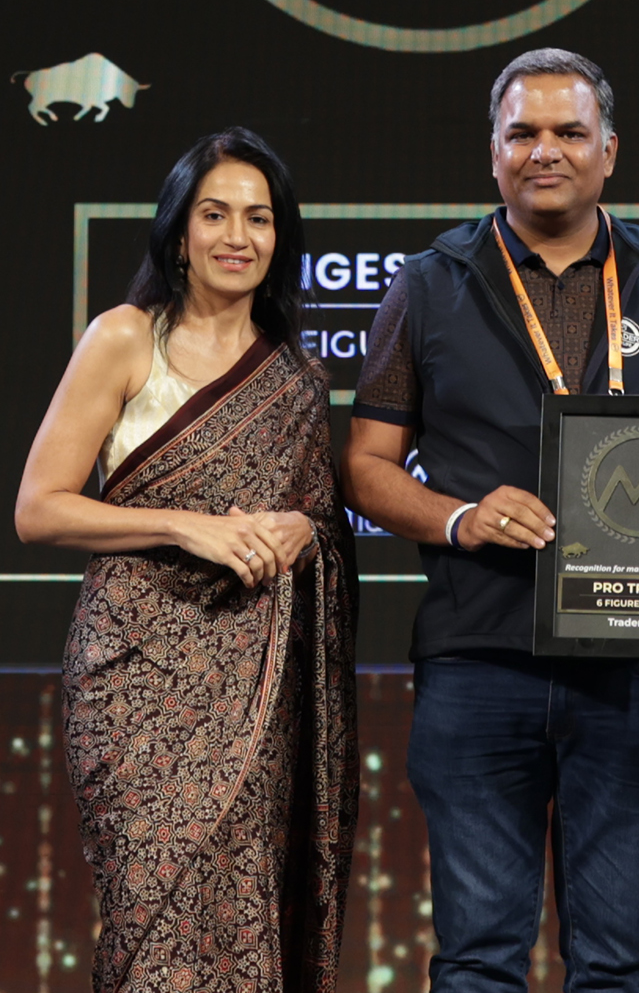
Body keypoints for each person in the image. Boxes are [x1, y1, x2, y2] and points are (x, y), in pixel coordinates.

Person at [342, 48, 639, 992]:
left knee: (618, 963)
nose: (544, 150)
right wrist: (460, 517)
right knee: (477, 961)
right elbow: (364, 467)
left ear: (609, 151)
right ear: (493, 151)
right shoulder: (426, 283)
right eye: (522, 133)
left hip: (629, 666)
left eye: (568, 132)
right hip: (479, 660)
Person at [15, 128, 359, 993]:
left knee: (242, 912)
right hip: (134, 676)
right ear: (178, 233)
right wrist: (184, 526)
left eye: (259, 218)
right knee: (152, 916)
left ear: (279, 239)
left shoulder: (298, 376)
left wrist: (304, 531)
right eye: (215, 214)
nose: (237, 236)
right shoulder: (125, 337)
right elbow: (39, 510)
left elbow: (321, 519)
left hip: (255, 692)